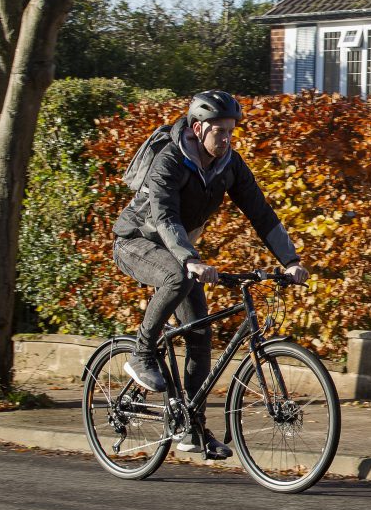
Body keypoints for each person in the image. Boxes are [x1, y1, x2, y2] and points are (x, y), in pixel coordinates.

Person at [111, 90, 308, 459]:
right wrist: (190, 259)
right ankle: (141, 353)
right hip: (137, 242)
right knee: (178, 276)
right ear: (198, 129)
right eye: (219, 131)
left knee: (200, 336)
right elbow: (165, 217)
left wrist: (290, 260)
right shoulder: (170, 160)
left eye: (231, 131)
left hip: (179, 250)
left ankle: (192, 427)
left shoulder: (229, 164)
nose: (227, 138)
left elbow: (261, 213)